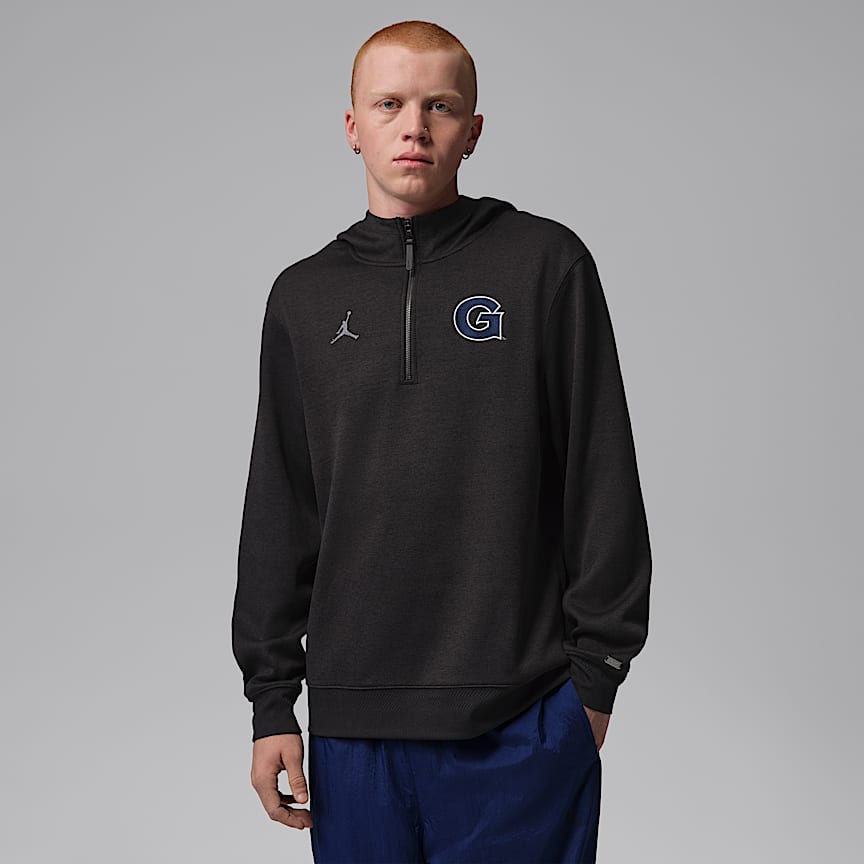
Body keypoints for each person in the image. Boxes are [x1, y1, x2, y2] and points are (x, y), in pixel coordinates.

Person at [231, 19, 652, 863]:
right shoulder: (303, 298)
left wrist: (596, 682)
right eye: (389, 104)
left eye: (441, 106)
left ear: (474, 130)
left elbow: (601, 477)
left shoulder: (546, 266)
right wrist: (271, 702)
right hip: (353, 727)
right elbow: (281, 506)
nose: (414, 127)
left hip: (524, 718)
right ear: (353, 125)